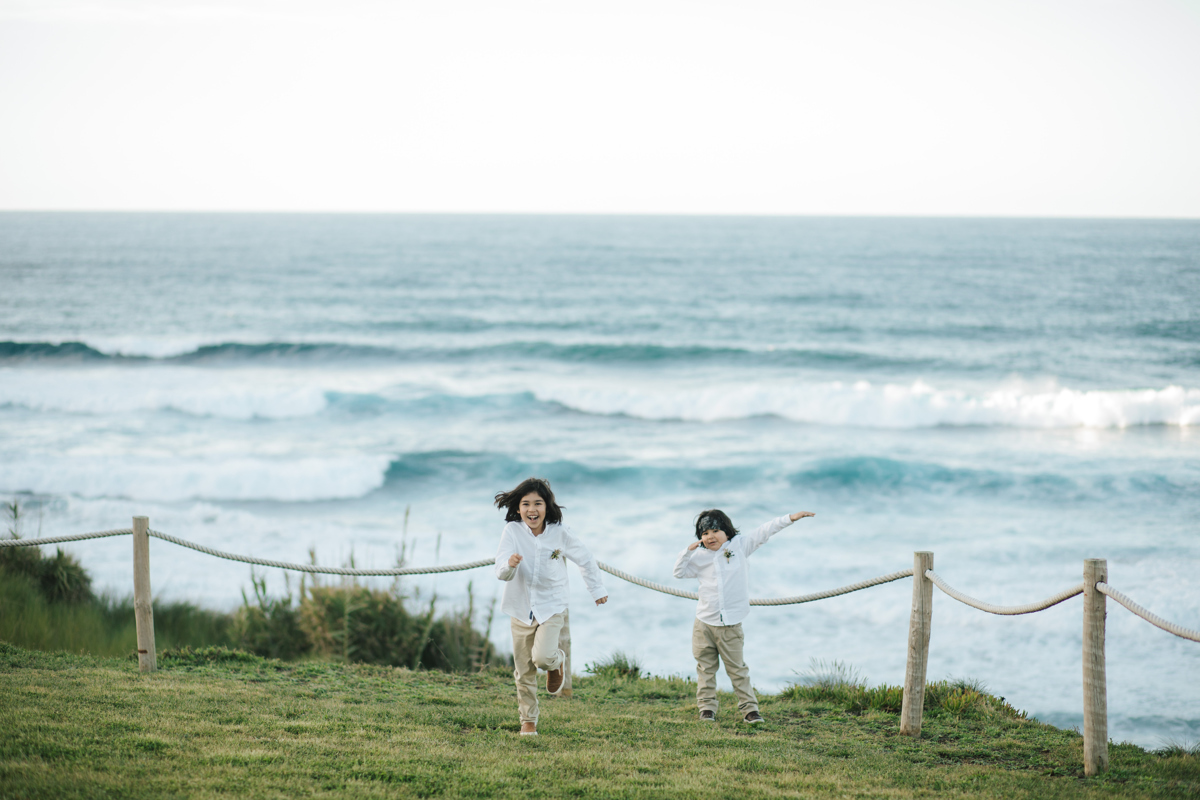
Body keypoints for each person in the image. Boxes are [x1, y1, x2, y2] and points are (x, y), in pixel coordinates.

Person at [674, 508, 814, 723]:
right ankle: (707, 708)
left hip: (730, 624)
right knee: (705, 668)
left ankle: (750, 710)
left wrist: (790, 518)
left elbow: (765, 531)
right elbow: (679, 572)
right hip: (703, 623)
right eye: (704, 534)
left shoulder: (740, 546)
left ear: (727, 532)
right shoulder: (700, 557)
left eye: (715, 531)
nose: (710, 537)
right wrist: (688, 551)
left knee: (737, 670)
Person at [494, 477, 608, 736]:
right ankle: (528, 721)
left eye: (538, 503)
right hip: (520, 608)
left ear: (547, 507)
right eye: (525, 504)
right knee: (524, 669)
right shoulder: (511, 531)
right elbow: (500, 572)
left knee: (543, 657)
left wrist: (597, 590)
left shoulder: (560, 532)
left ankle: (556, 662)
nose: (531, 509)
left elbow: (586, 559)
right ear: (518, 507)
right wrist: (510, 565)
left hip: (552, 606)